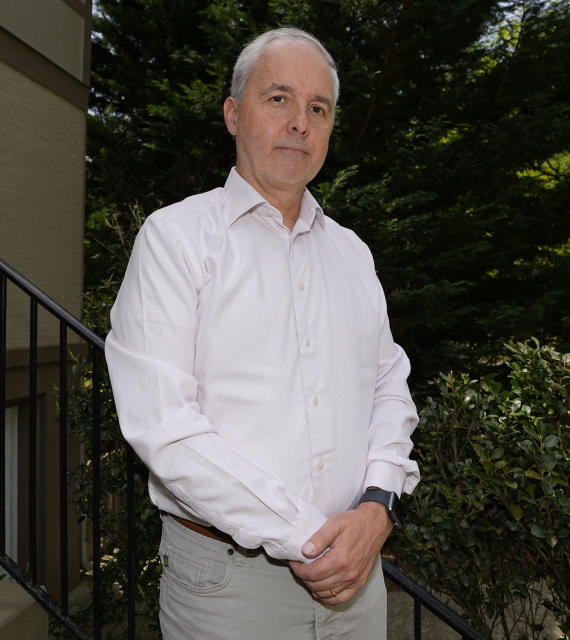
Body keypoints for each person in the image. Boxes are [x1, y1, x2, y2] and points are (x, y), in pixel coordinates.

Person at [105, 27, 420, 639]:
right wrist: (311, 538)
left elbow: (390, 387)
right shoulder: (175, 240)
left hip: (359, 576)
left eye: (318, 108)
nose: (300, 121)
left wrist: (379, 505)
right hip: (230, 588)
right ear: (232, 113)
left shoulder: (353, 254)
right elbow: (164, 426)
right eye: (278, 99)